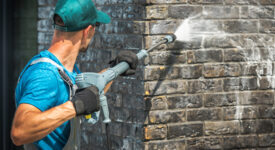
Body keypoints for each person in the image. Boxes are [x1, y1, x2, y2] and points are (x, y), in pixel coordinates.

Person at [11, 0, 138, 149]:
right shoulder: (46, 75)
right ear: (87, 31)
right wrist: (75, 106)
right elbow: (20, 131)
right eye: (96, 26)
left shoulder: (64, 70)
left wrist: (114, 70)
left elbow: (88, 93)